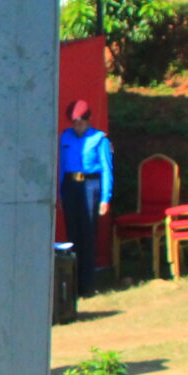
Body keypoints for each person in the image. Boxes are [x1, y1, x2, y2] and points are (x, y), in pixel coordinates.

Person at [57, 99, 113, 296]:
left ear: (88, 120)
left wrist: (105, 197)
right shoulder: (65, 138)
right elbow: (61, 167)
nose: (77, 125)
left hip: (90, 185)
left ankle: (87, 285)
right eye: (74, 122)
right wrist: (60, 193)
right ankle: (72, 285)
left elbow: (106, 169)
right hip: (71, 186)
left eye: (80, 121)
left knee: (88, 233)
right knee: (73, 235)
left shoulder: (99, 139)